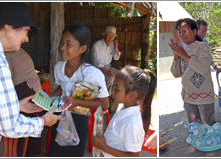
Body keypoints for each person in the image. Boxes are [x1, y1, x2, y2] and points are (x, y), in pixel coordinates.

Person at [0, 2, 61, 157]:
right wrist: (43, 122)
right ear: (8, 26)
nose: (27, 39)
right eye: (26, 31)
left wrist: (15, 106)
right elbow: (9, 126)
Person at [48, 23, 110, 157]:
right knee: (55, 152)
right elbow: (62, 86)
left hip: (79, 119)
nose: (62, 48)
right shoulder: (59, 67)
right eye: (62, 42)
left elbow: (104, 104)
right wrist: (51, 96)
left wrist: (77, 102)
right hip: (58, 114)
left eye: (68, 44)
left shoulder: (92, 74)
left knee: (72, 153)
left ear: (82, 48)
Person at [91, 66, 156, 157]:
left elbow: (135, 156)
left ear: (132, 95)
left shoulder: (133, 123)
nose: (112, 92)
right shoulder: (123, 108)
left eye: (117, 89)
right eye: (114, 87)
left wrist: (103, 146)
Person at [169, 18, 216, 125]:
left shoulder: (202, 46)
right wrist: (176, 56)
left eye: (184, 31)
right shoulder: (182, 49)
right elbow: (176, 74)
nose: (181, 35)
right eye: (179, 32)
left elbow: (203, 69)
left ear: (194, 31)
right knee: (196, 130)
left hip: (204, 98)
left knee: (210, 129)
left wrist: (184, 55)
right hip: (188, 98)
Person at [91, 26, 120, 113]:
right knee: (110, 78)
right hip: (97, 69)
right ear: (104, 35)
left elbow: (116, 58)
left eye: (113, 36)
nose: (111, 38)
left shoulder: (112, 45)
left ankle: (114, 99)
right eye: (109, 35)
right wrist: (107, 72)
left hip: (108, 66)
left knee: (121, 76)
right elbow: (96, 63)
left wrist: (116, 48)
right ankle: (106, 100)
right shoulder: (96, 45)